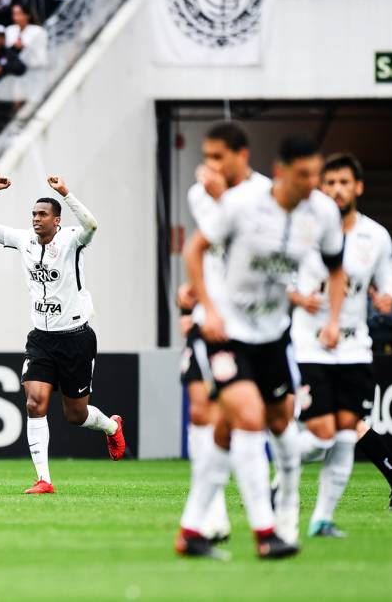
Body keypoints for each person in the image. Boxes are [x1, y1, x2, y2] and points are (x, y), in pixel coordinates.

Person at [176, 135, 346, 560]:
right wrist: (209, 309)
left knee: (261, 424)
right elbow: (193, 250)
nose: (312, 183)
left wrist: (334, 320)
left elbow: (336, 267)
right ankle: (265, 533)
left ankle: (191, 530)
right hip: (226, 331)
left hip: (273, 335)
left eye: (316, 175)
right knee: (248, 419)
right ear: (283, 170)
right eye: (304, 175)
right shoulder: (243, 205)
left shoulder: (322, 213)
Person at [290, 152, 392, 533]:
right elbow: (279, 277)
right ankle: (278, 472)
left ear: (357, 187)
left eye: (344, 182)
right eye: (329, 183)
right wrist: (297, 297)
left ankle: (323, 519)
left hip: (354, 345)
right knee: (320, 436)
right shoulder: (303, 232)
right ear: (320, 187)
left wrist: (387, 299)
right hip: (311, 344)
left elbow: (389, 282)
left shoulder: (375, 236)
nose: (337, 189)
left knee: (348, 431)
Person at [0, 174, 125, 493]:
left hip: (76, 337)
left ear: (57, 221)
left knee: (76, 414)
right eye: (33, 214)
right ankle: (44, 479)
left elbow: (92, 225)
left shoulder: (71, 239)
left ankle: (111, 426)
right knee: (34, 403)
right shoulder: (22, 239)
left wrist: (66, 193)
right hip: (41, 338)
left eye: (42, 215)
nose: (36, 219)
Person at [177, 121, 271, 545]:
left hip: (259, 325)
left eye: (218, 157)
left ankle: (275, 508)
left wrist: (223, 198)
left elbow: (256, 246)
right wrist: (198, 300)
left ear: (241, 155)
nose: (209, 166)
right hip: (211, 320)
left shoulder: (265, 195)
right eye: (206, 157)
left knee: (261, 422)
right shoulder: (200, 195)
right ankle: (215, 518)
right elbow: (209, 247)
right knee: (201, 409)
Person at [3, 4, 47, 104]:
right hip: (16, 75)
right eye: (14, 14)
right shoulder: (9, 31)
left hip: (34, 72)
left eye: (19, 14)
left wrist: (25, 48)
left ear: (27, 15)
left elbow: (42, 58)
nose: (16, 18)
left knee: (34, 102)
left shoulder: (38, 32)